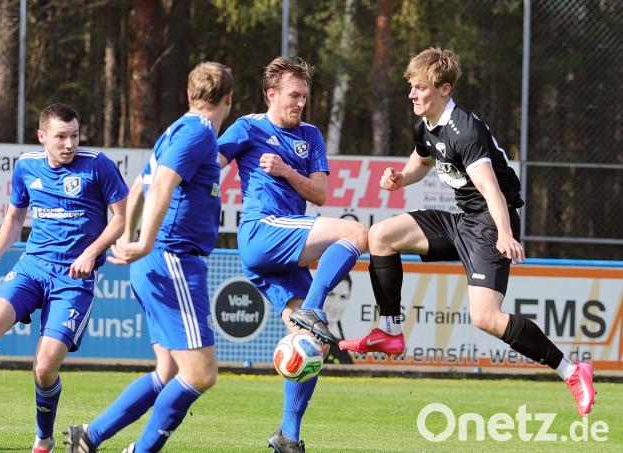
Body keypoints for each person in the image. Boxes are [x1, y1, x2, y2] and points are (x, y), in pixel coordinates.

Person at [339, 47, 596, 416]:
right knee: (381, 235)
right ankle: (390, 330)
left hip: (492, 223)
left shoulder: (465, 131)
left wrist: (505, 234)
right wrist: (400, 178)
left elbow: (491, 189)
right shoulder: (425, 124)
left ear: (444, 89)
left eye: (421, 87)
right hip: (463, 220)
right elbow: (421, 160)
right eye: (411, 87)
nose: (412, 94)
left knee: (485, 318)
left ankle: (573, 371)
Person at [0, 103, 128, 452]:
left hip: (73, 280)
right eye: (61, 137)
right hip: (33, 267)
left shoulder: (98, 166)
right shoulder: (27, 166)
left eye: (74, 135)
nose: (69, 144)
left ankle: (43, 438)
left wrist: (92, 252)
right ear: (42, 136)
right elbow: (15, 217)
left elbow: (121, 217)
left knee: (44, 368)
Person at [63, 62, 233, 453]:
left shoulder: (174, 130)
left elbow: (137, 187)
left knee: (168, 370)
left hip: (157, 258)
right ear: (229, 99)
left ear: (189, 96)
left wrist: (129, 239)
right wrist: (142, 242)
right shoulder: (198, 133)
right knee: (202, 374)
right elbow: (159, 189)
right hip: (172, 259)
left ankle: (89, 436)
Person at [217, 57, 368, 453]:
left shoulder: (311, 135)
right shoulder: (249, 127)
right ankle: (313, 308)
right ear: (271, 94)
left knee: (312, 344)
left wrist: (286, 170)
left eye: (304, 95)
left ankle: (288, 436)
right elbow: (210, 164)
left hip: (282, 251)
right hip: (262, 232)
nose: (300, 102)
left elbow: (319, 194)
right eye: (293, 95)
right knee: (355, 232)